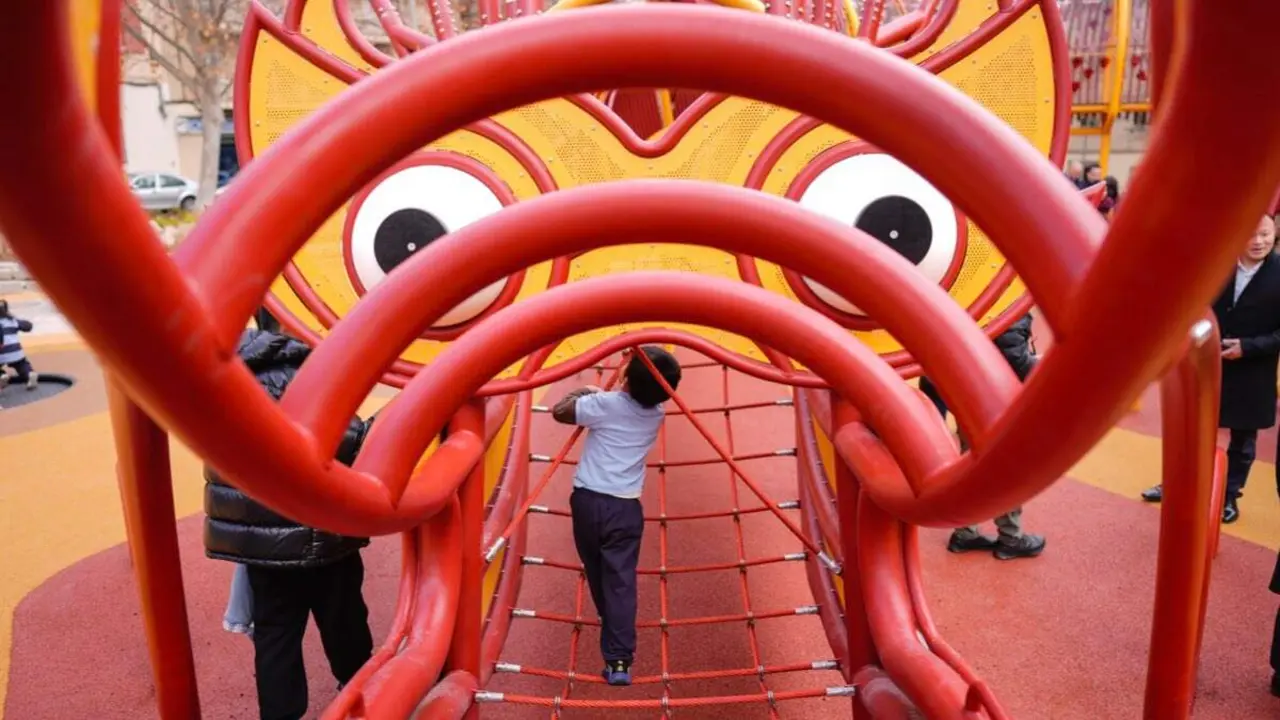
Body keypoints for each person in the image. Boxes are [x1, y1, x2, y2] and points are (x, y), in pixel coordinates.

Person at [204, 329, 375, 720]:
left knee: (276, 633)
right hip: (322, 531)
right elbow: (349, 442)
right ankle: (360, 690)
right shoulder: (298, 380)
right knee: (344, 618)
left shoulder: (221, 384)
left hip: (261, 543)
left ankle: (280, 713)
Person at [551, 346, 682, 686]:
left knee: (596, 572)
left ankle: (611, 627)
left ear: (626, 377)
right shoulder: (657, 414)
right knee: (621, 582)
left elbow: (561, 411)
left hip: (588, 502)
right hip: (625, 508)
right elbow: (635, 397)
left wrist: (588, 390)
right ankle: (619, 660)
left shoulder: (604, 405)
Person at [1141, 214, 1280, 522]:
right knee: (1192, 431)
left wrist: (1248, 346)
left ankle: (1228, 495)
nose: (1259, 242)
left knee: (1243, 439)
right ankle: (1179, 485)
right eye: (1251, 234)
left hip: (1252, 369)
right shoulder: (1218, 265)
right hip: (1205, 362)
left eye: (1265, 235)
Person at [918, 314, 1047, 560]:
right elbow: (1014, 357)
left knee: (969, 463)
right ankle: (1011, 537)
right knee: (1006, 468)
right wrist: (1035, 365)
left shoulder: (970, 300)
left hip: (962, 392)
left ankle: (965, 531)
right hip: (992, 398)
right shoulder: (1008, 307)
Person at [0, 299, 37, 390]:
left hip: (1, 351)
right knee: (21, 364)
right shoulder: (12, 321)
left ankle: (2, 376)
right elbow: (27, 326)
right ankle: (29, 374)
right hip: (16, 351)